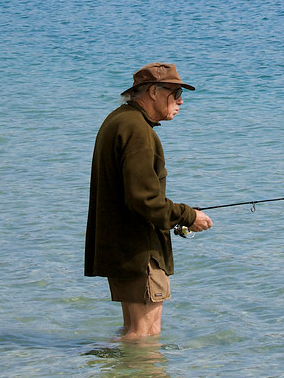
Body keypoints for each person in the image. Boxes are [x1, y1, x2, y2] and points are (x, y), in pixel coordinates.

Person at [85, 62, 213, 339]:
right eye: (176, 93)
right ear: (154, 91)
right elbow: (144, 200)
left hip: (122, 248)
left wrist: (180, 215)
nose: (180, 101)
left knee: (132, 330)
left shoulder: (119, 120)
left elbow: (136, 196)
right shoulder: (138, 131)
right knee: (145, 334)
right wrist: (189, 216)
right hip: (139, 250)